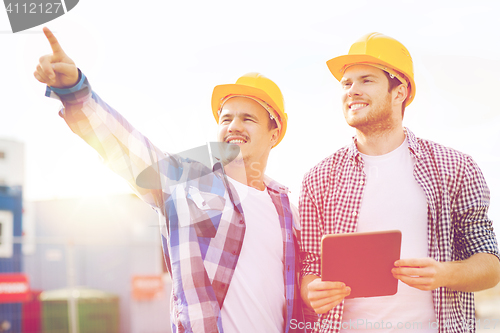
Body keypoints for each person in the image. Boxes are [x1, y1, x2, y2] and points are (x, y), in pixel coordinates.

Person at [34, 27, 305, 333]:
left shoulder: (288, 209)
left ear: (274, 133)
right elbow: (126, 147)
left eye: (248, 118)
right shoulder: (190, 183)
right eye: (226, 118)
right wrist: (75, 91)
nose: (233, 126)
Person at [299, 32, 500, 333]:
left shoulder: (455, 167)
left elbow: (490, 265)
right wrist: (311, 290)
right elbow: (310, 266)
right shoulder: (319, 177)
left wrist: (445, 273)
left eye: (366, 80)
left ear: (399, 92)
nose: (352, 90)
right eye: (346, 83)